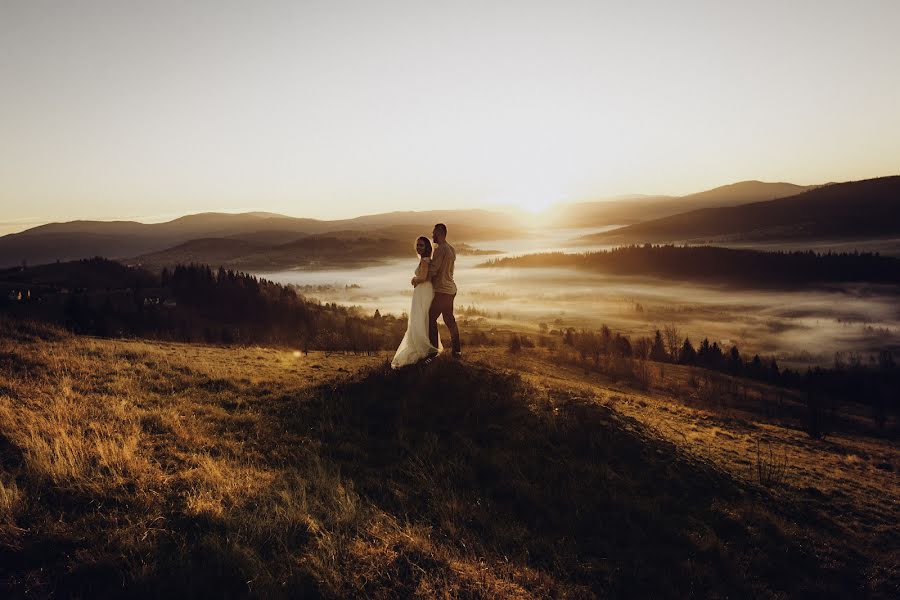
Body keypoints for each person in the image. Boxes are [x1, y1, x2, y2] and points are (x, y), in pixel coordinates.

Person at [391, 237, 440, 368]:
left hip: (423, 292)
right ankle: (427, 345)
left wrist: (414, 279)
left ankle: (423, 346)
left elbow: (423, 277)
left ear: (427, 247)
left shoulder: (424, 261)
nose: (418, 247)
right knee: (423, 318)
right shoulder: (428, 260)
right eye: (417, 245)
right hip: (426, 291)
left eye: (421, 245)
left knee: (419, 318)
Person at [425, 223, 461, 357]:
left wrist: (423, 273)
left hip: (442, 290)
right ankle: (457, 350)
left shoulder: (440, 249)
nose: (432, 235)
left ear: (440, 233)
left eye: (434, 233)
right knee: (449, 319)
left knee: (430, 318)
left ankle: (434, 351)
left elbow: (434, 270)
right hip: (451, 289)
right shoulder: (451, 249)